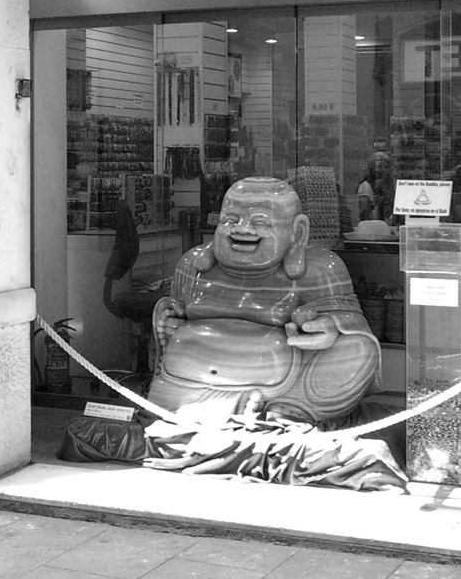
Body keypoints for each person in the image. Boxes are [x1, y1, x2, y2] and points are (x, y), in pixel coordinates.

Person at [149, 177, 380, 426]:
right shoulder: (193, 264)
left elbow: (351, 324)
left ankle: (289, 407)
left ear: (298, 231)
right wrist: (170, 320)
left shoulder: (321, 268)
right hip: (193, 377)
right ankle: (248, 409)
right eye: (231, 220)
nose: (242, 229)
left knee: (359, 350)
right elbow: (173, 310)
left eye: (260, 222)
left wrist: (327, 327)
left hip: (286, 381)